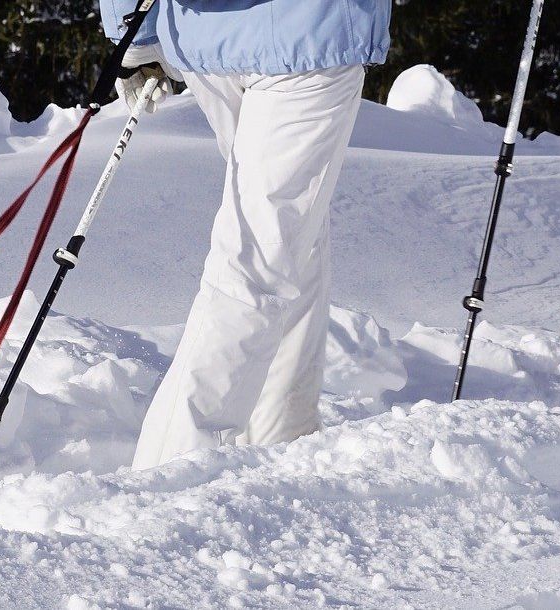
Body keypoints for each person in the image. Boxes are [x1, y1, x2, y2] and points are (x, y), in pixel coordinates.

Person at [101, 0, 392, 469]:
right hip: (311, 32)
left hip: (205, 35)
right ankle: (169, 469)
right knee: (259, 256)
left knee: (289, 233)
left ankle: (282, 434)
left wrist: (138, 35)